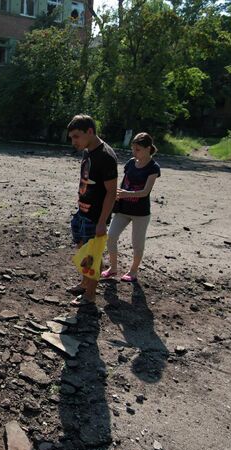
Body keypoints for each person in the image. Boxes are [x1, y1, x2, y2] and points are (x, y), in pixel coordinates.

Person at [66, 114, 118, 306]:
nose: (73, 141)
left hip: (95, 217)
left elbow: (111, 193)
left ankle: (90, 295)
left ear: (90, 131)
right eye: (71, 137)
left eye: (76, 136)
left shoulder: (106, 156)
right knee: (83, 250)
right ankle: (84, 283)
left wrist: (102, 222)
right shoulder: (88, 151)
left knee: (93, 256)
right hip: (82, 213)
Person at [100, 132, 161, 283]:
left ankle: (133, 271)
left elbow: (145, 192)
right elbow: (123, 184)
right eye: (133, 149)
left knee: (137, 243)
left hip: (141, 213)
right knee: (111, 236)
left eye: (138, 149)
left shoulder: (153, 168)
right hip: (123, 209)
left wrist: (126, 194)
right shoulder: (130, 163)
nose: (134, 152)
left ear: (148, 148)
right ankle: (113, 268)